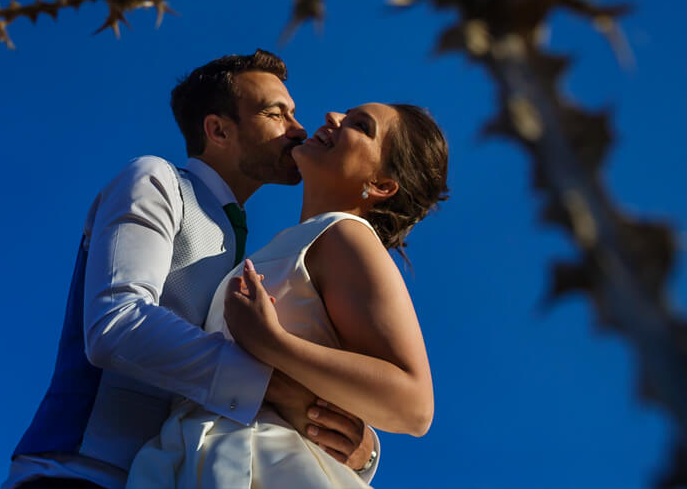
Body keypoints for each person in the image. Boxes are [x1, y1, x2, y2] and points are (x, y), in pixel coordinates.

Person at [4, 50, 380, 489]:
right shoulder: (155, 179)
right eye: (276, 114)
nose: (298, 130)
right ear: (218, 129)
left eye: (293, 114)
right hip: (80, 471)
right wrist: (274, 388)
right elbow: (117, 323)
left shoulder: (259, 255)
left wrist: (359, 447)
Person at [125, 101, 451, 489]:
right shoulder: (304, 240)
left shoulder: (347, 234)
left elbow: (414, 406)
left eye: (360, 126)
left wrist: (273, 343)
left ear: (381, 185)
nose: (332, 117)